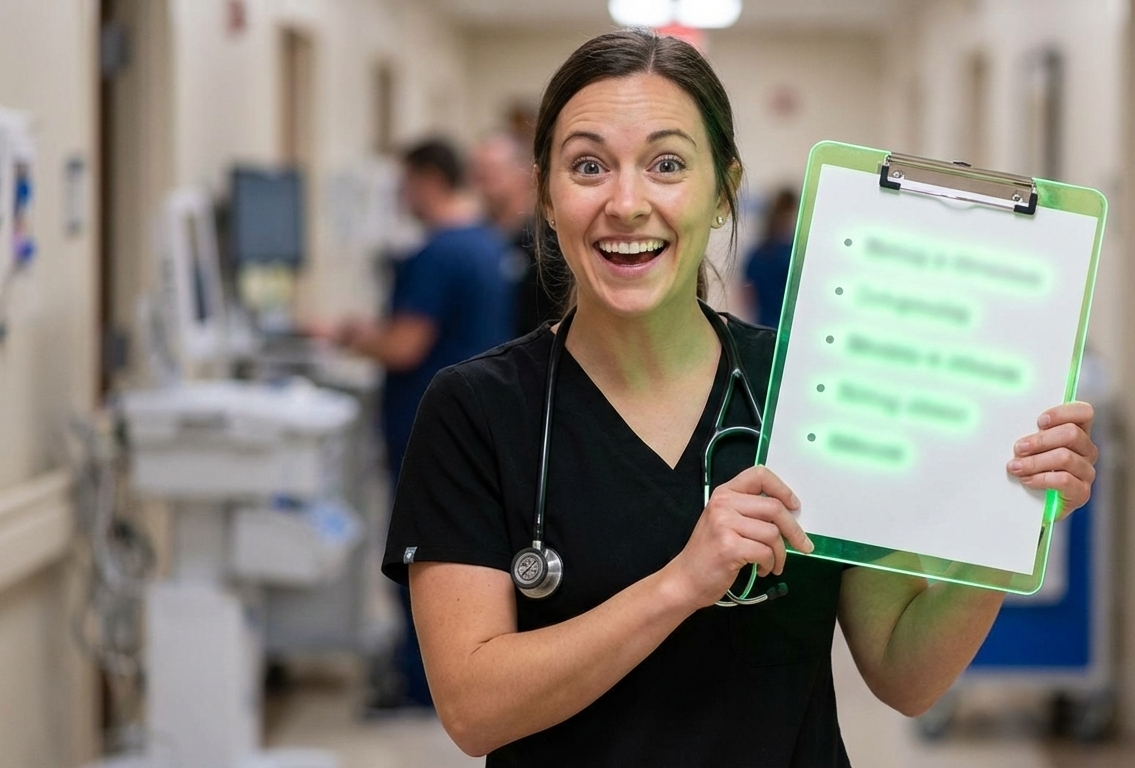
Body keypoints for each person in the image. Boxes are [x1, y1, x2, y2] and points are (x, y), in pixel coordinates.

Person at [382, 29, 1098, 765]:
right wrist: (681, 585)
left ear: (724, 192)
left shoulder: (816, 387)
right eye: (589, 166)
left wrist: (1012, 520)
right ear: (547, 196)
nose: (626, 203)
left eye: (667, 164)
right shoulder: (476, 411)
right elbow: (473, 710)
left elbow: (905, 675)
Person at [323, 137, 516, 712]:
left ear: (428, 180)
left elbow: (405, 345)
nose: (401, 197)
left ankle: (417, 683)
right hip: (477, 424)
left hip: (427, 429)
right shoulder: (485, 244)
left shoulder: (438, 254)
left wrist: (350, 336)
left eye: (405, 184)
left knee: (422, 556)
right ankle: (441, 671)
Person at [473, 132, 567, 334]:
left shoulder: (548, 240)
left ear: (523, 174)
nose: (481, 182)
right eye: (477, 173)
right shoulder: (476, 238)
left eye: (491, 172)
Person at [742, 187, 799, 328]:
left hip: (762, 326)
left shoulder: (758, 253)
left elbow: (747, 295)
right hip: (787, 326)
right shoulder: (791, 255)